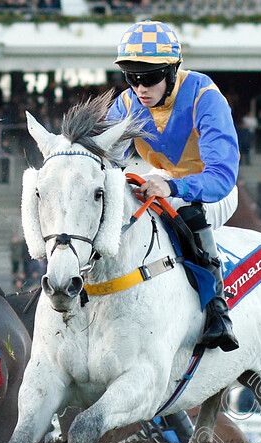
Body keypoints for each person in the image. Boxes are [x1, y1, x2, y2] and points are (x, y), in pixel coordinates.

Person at [108, 20, 239, 352]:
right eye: (132, 77)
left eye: (149, 77)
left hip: (211, 190)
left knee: (185, 211)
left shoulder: (204, 96)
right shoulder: (125, 105)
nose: (140, 88)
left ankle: (217, 310)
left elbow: (222, 177)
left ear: (172, 71)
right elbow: (102, 158)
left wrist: (175, 189)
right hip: (164, 180)